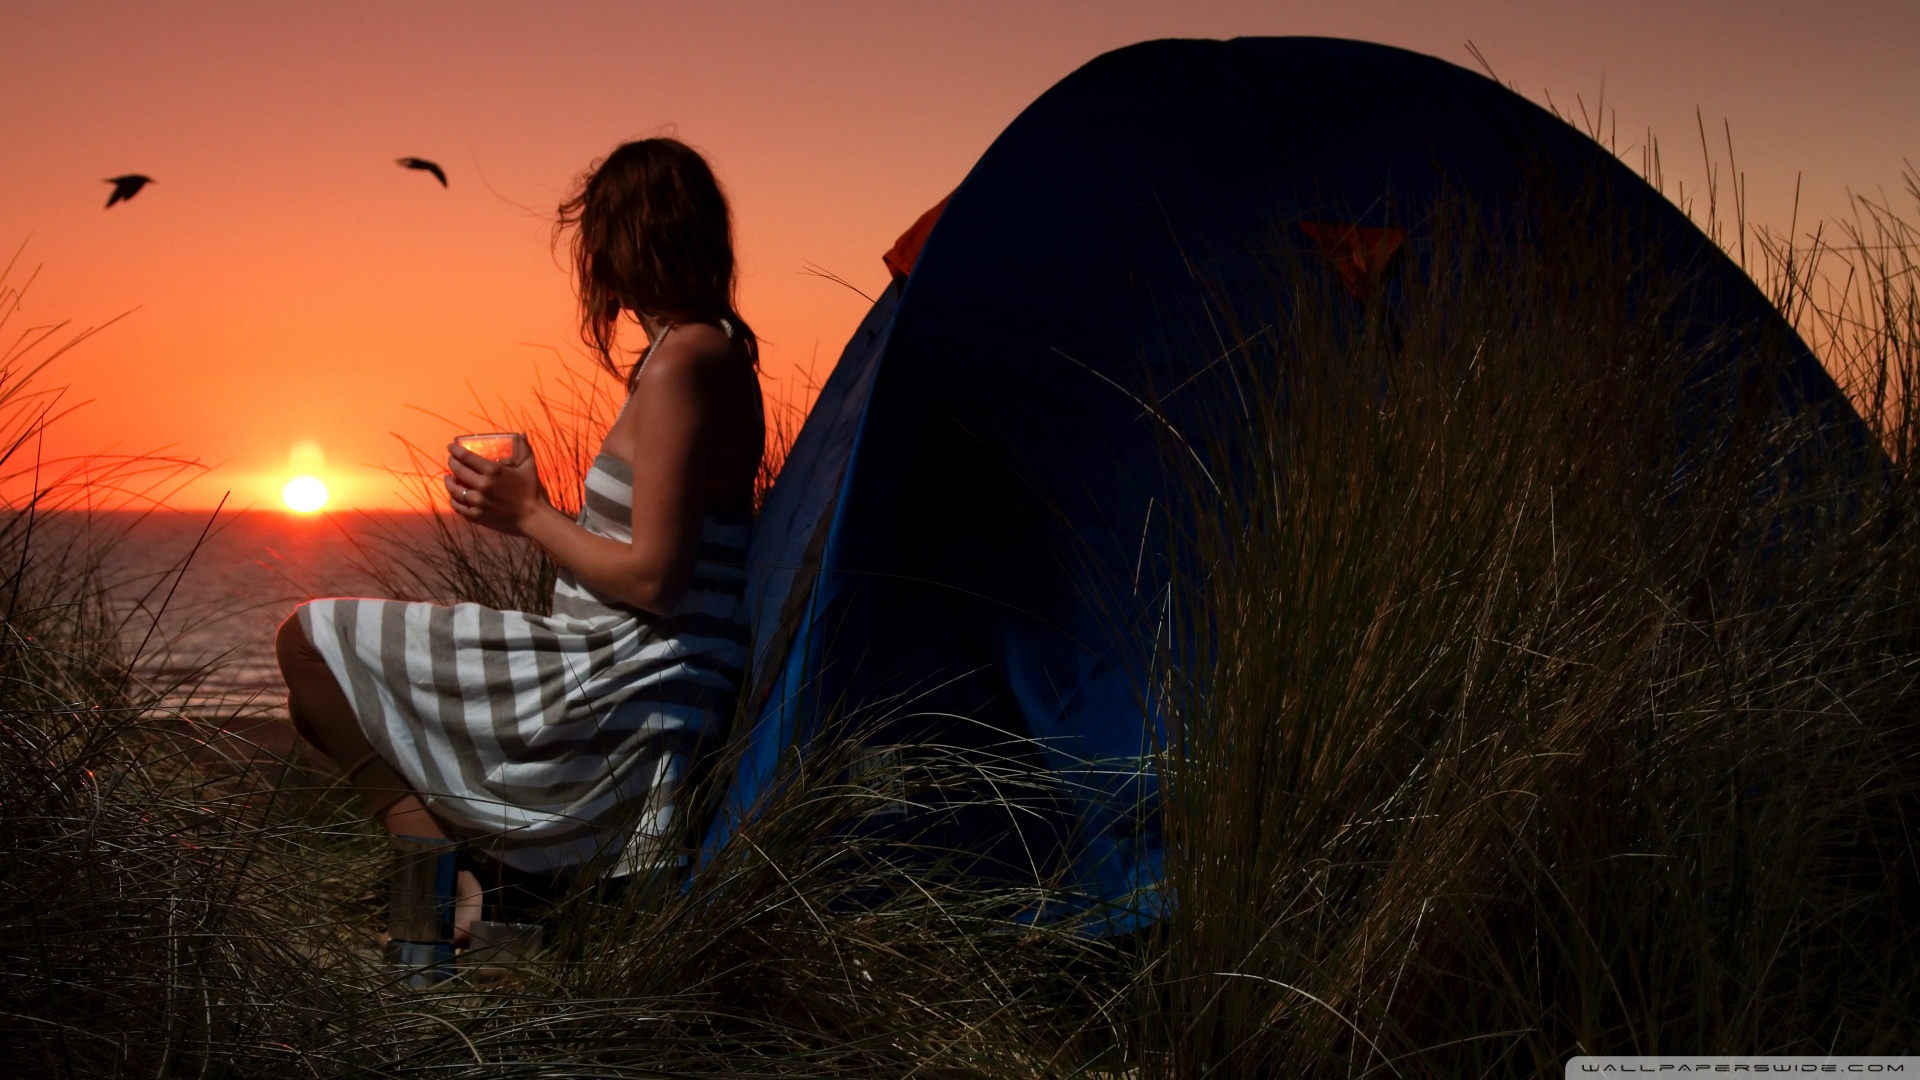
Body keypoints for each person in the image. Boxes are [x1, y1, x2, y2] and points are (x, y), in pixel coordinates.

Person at [275, 137, 764, 972]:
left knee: (309, 644)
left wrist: (528, 512)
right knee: (327, 700)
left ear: (620, 242)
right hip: (629, 664)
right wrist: (527, 514)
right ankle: (456, 896)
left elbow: (654, 576)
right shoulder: (706, 352)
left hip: (619, 677)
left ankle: (434, 906)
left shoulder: (687, 359)